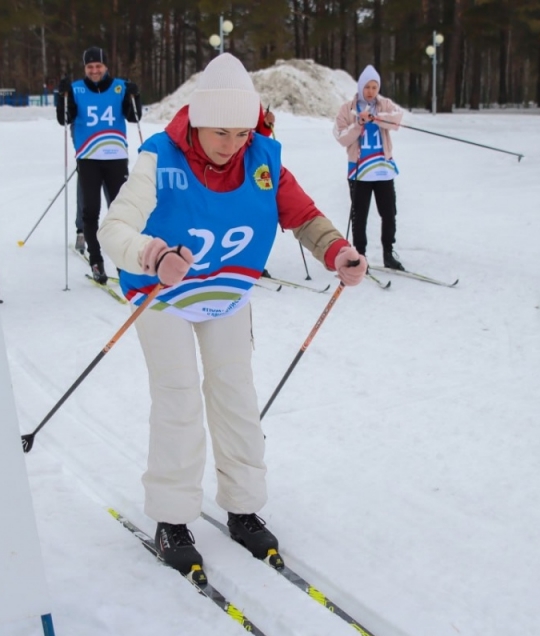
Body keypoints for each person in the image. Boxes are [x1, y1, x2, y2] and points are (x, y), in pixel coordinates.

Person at [97, 53, 367, 577]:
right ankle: (173, 517)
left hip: (225, 294)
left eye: (241, 133)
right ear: (197, 121)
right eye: (220, 133)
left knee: (236, 398)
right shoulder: (160, 156)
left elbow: (304, 216)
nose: (231, 145)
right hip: (164, 295)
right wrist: (152, 253)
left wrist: (338, 251)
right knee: (178, 401)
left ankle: (243, 507)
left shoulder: (262, 156)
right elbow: (115, 229)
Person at [55, 47, 141, 284]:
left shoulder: (120, 87)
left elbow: (134, 117)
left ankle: (124, 262)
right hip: (89, 158)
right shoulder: (76, 89)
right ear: (85, 68)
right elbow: (64, 119)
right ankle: (96, 261)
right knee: (90, 212)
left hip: (115, 157)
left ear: (106, 66)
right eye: (90, 67)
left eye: (98, 66)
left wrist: (135, 95)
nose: (94, 70)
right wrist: (60, 97)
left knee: (119, 211)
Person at [333, 64, 405, 270]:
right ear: (360, 87)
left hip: (383, 169)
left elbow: (397, 120)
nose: (371, 92)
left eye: (374, 87)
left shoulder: (384, 104)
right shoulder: (347, 108)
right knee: (359, 215)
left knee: (389, 212)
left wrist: (377, 118)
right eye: (367, 87)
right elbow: (341, 137)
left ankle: (388, 253)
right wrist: (358, 123)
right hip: (359, 171)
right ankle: (360, 256)